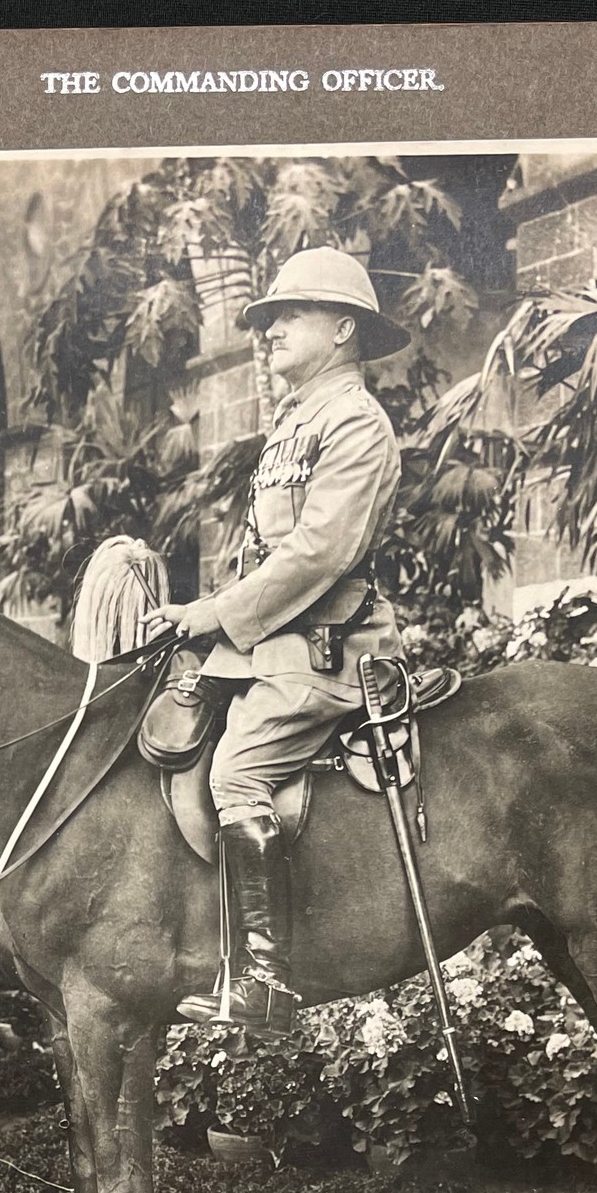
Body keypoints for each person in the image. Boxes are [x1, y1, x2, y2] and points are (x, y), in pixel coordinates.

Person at [157, 246, 408, 1034]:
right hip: (273, 643)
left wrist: (220, 611)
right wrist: (204, 618)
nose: (267, 332)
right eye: (264, 320)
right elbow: (263, 551)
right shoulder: (296, 421)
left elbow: (320, 552)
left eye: (285, 317)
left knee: (235, 770)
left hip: (331, 649)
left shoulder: (358, 423)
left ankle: (266, 980)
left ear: (342, 328)